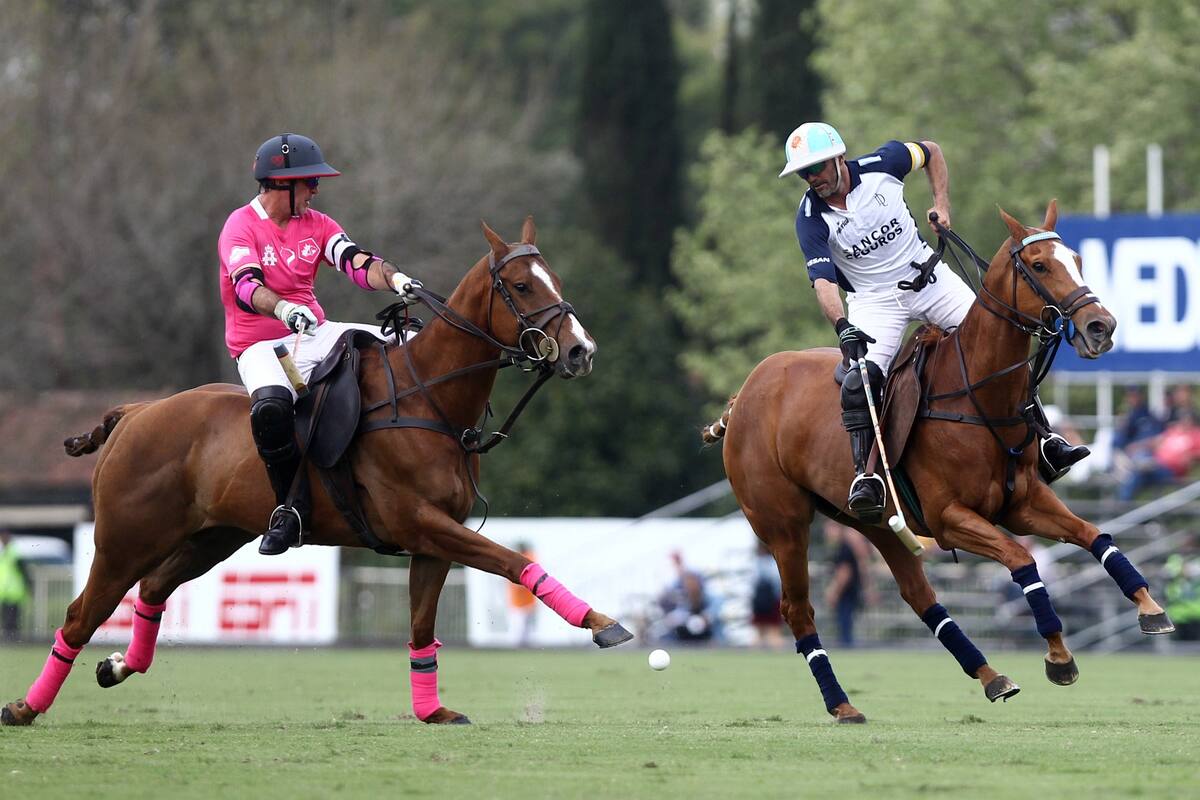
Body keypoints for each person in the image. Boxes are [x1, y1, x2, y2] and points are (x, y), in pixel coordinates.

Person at [779, 122, 1088, 519]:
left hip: (928, 278)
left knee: (996, 343)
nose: (812, 178)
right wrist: (843, 326)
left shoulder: (884, 162)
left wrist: (941, 205)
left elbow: (932, 151)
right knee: (860, 381)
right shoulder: (810, 216)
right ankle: (866, 475)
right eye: (804, 173)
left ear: (839, 157)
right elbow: (822, 282)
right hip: (874, 302)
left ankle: (1045, 441)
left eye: (817, 167)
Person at [219, 133, 424, 556]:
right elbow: (246, 288)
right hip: (259, 344)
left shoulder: (318, 224)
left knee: (405, 349)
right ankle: (289, 510)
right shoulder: (239, 226)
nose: (316, 189)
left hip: (313, 331)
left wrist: (395, 279)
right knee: (273, 407)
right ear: (281, 184)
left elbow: (355, 261)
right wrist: (281, 311)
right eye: (309, 182)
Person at [823, 522, 876, 647]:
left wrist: (834, 592)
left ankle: (846, 646)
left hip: (846, 590)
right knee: (847, 622)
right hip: (852, 589)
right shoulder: (847, 545)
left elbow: (844, 572)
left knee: (844, 622)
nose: (827, 534)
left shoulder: (844, 547)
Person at [749, 540, 785, 649]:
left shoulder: (755, 563)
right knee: (774, 632)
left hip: (760, 601)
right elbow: (778, 583)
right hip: (772, 601)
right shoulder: (774, 562)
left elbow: (752, 583)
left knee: (759, 632)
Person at [0, 530, 31, 642]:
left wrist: (28, 585)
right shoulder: (4, 551)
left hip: (14, 591)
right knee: (6, 617)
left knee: (13, 618)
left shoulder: (13, 552)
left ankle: (13, 639)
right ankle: (8, 638)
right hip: (4, 592)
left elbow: (24, 571)